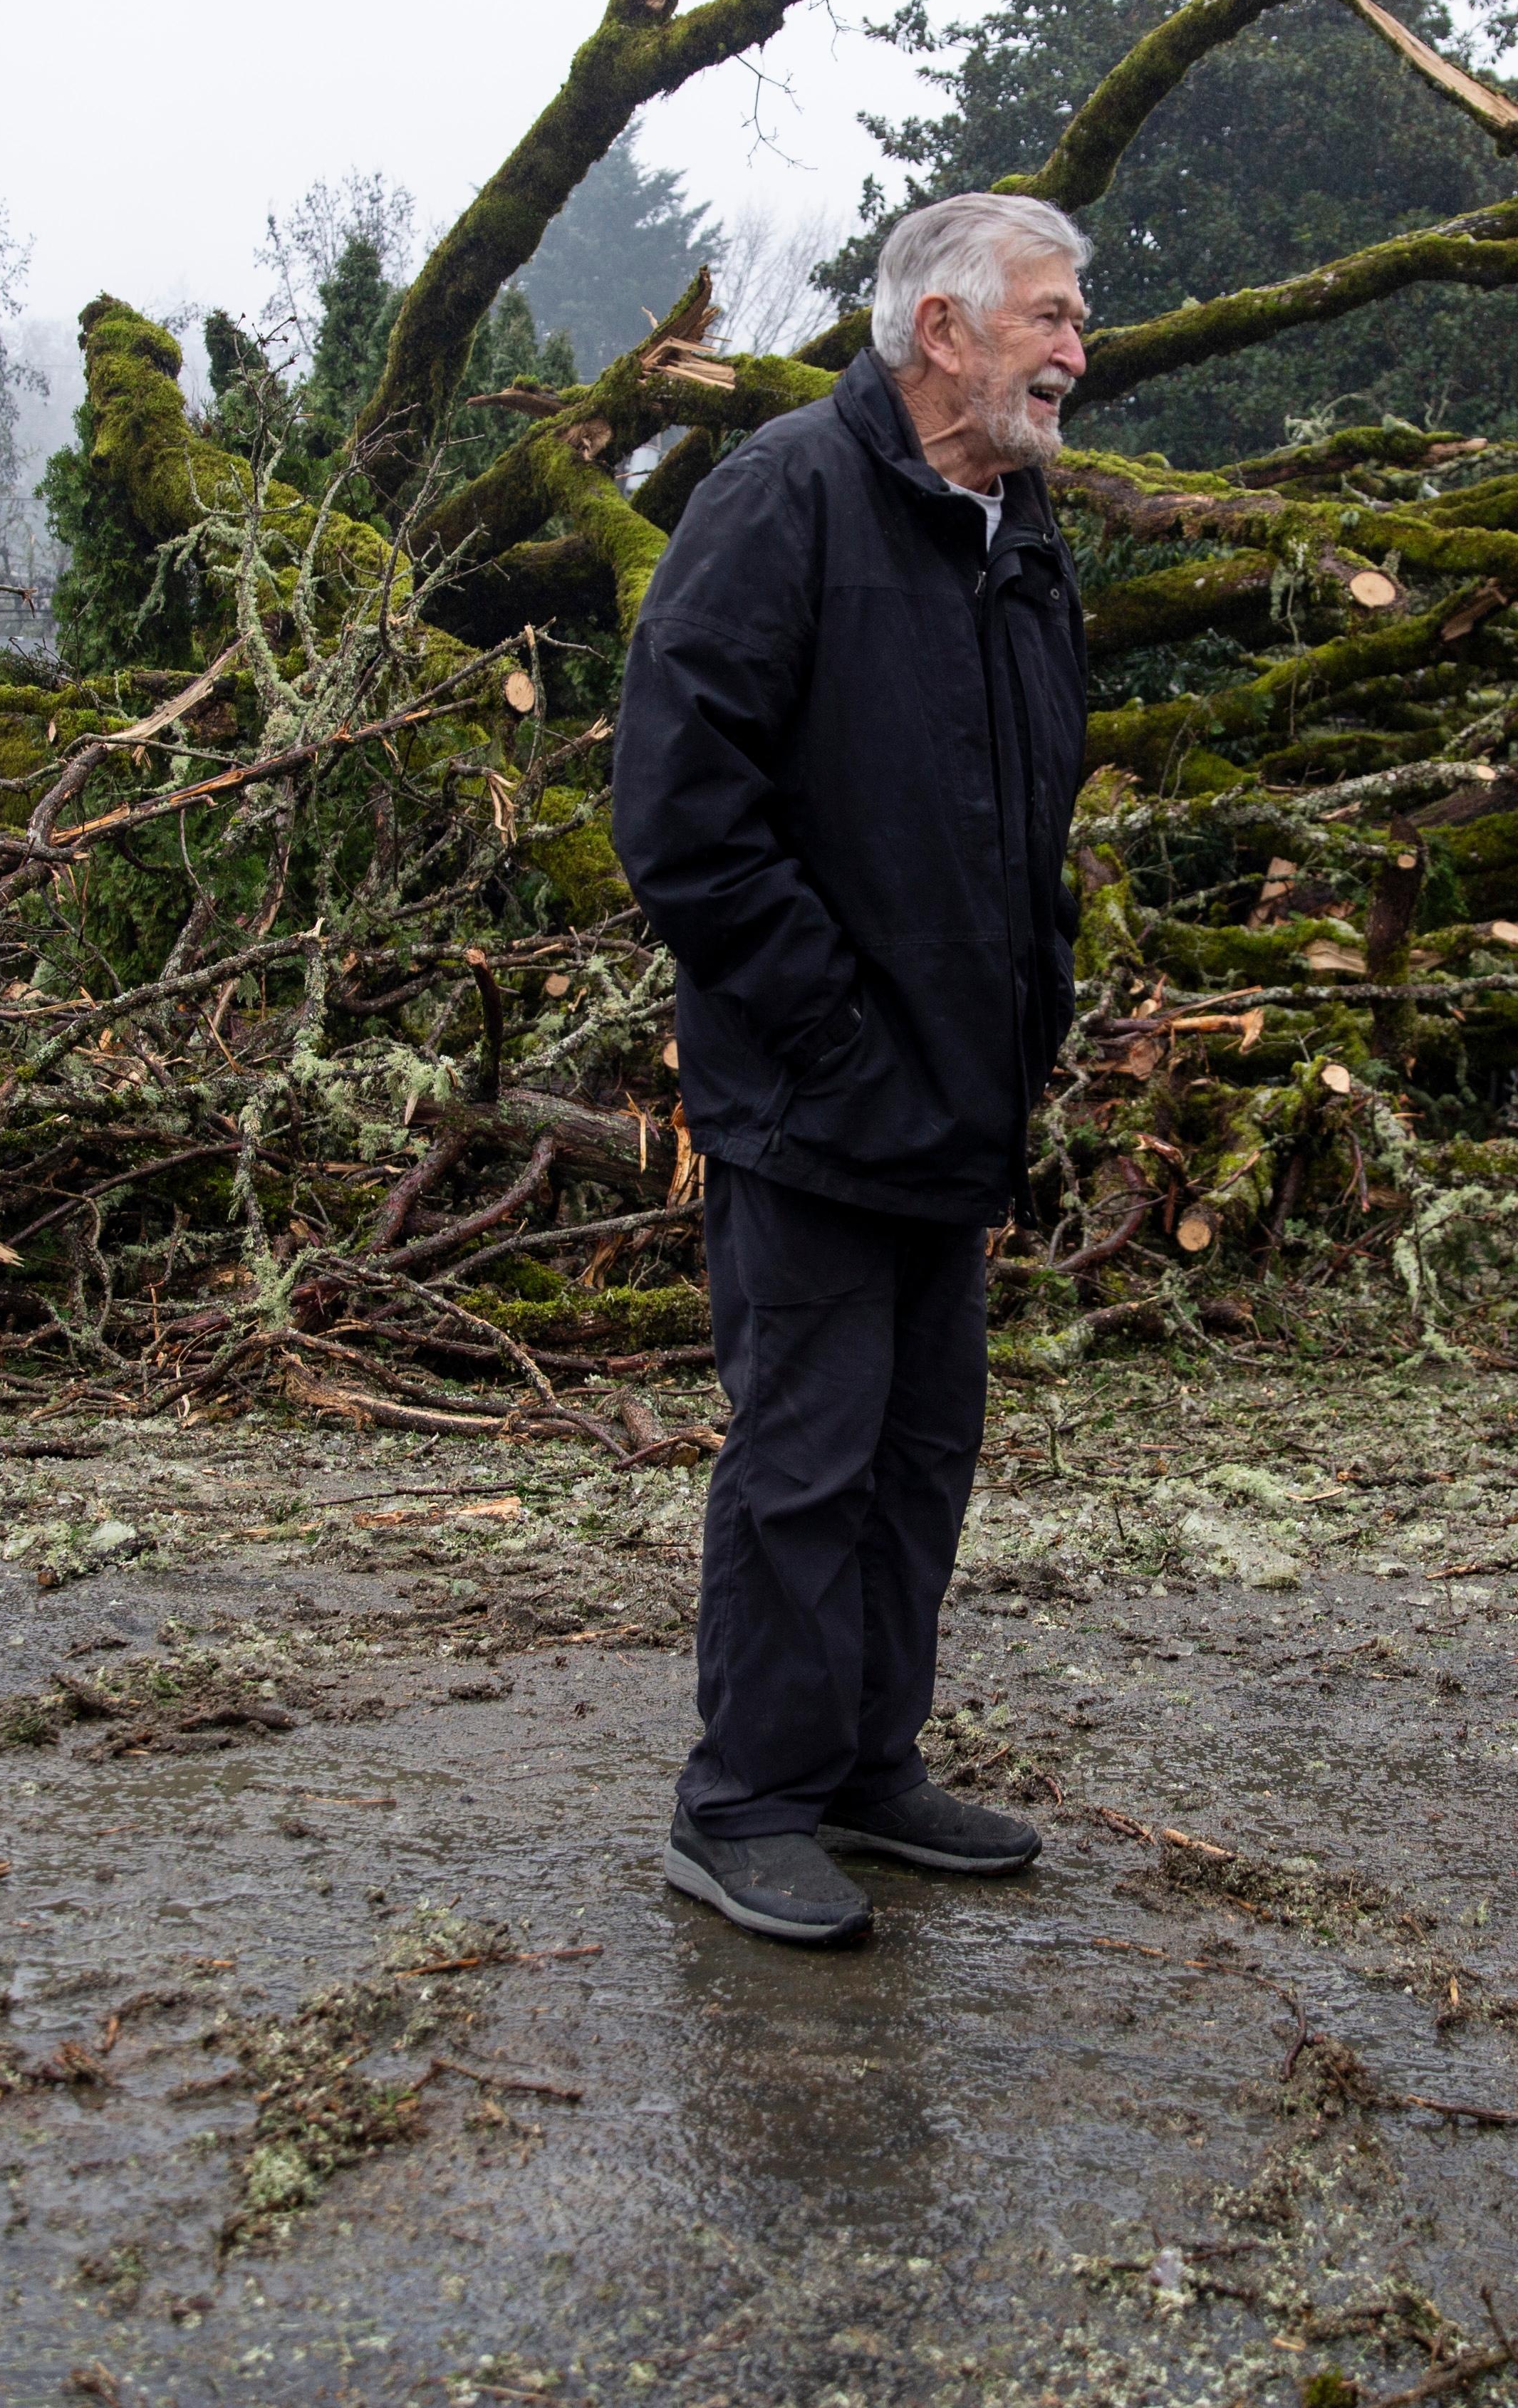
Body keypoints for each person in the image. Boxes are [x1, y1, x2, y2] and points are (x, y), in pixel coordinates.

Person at [610, 192, 1096, 1948]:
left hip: (961, 1097)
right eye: (1045, 317)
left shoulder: (1015, 529)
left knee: (921, 1452)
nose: (1074, 351)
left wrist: (1027, 1012)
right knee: (806, 1456)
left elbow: (1030, 807)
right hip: (818, 1100)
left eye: (1076, 320)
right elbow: (679, 811)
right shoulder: (783, 502)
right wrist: (830, 1030)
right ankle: (740, 1800)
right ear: (939, 332)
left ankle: (866, 1767)